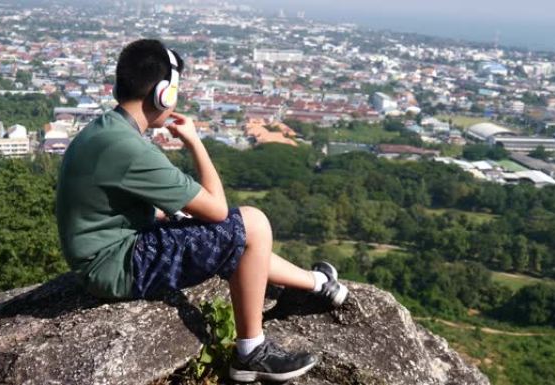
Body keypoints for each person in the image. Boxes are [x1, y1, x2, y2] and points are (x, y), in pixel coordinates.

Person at [55, 38, 349, 382]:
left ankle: (317, 284)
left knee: (228, 234)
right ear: (163, 93)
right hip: (115, 266)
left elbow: (114, 209)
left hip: (109, 251)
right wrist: (195, 142)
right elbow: (218, 210)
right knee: (252, 223)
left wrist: (173, 217)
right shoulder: (128, 148)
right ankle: (251, 352)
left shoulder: (106, 129)